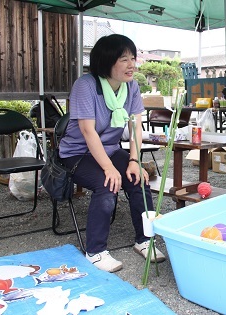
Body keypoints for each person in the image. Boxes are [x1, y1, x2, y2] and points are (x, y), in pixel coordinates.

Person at [59, 34, 165, 272]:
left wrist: (135, 161)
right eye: (123, 59)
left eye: (133, 58)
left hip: (109, 149)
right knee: (107, 183)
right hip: (77, 153)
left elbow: (135, 126)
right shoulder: (86, 86)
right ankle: (95, 252)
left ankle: (145, 240)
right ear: (107, 61)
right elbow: (88, 131)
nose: (131, 65)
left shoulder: (132, 87)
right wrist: (109, 168)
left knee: (138, 178)